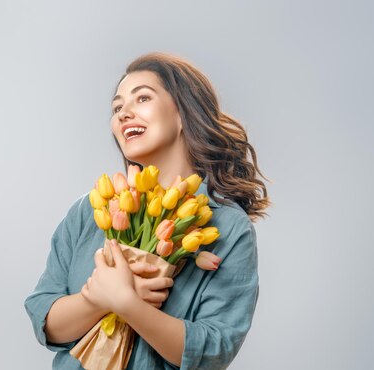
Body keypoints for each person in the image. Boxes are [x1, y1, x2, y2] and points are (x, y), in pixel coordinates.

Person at [24, 52, 270, 369]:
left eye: (142, 98)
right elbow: (45, 318)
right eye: (117, 107)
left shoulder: (227, 226)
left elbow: (214, 349)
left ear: (183, 113)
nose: (124, 113)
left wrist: (127, 303)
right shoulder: (91, 208)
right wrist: (96, 299)